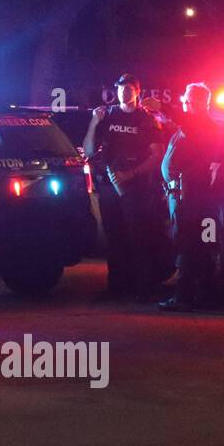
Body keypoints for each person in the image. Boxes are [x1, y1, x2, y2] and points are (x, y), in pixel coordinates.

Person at [83, 73, 168, 300]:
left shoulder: (146, 119)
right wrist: (94, 122)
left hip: (136, 188)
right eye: (121, 88)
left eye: (129, 88)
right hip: (110, 188)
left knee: (139, 238)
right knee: (114, 237)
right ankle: (116, 287)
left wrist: (130, 174)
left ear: (137, 91)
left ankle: (144, 288)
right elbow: (89, 150)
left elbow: (157, 156)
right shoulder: (107, 116)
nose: (124, 92)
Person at [158, 82, 223, 311]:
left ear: (198, 102)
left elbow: (185, 124)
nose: (183, 102)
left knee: (188, 245)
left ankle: (184, 296)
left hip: (192, 196)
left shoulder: (202, 126)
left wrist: (161, 108)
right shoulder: (189, 127)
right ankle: (201, 294)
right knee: (193, 245)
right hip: (180, 194)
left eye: (187, 99)